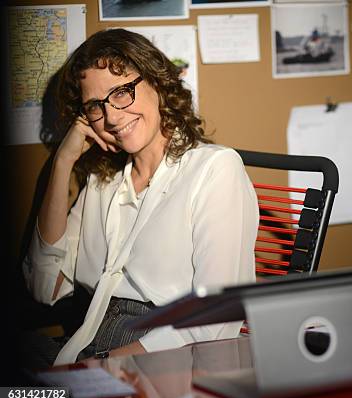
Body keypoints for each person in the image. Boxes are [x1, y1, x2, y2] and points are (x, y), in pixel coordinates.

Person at [21, 29, 259, 367]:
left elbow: (216, 319)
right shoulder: (104, 182)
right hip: (88, 340)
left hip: (158, 357)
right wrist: (62, 162)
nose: (112, 117)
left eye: (121, 93)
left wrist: (104, 365)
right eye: (95, 106)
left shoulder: (214, 169)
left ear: (158, 83)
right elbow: (44, 286)